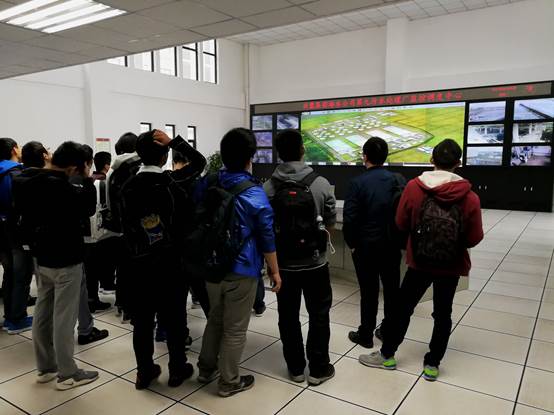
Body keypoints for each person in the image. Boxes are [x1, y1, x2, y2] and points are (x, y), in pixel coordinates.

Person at [359, 139, 484, 382]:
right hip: (451, 265)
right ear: (458, 163)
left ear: (431, 160)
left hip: (419, 262)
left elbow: (400, 222)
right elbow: (474, 237)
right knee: (443, 314)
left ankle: (387, 355)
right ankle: (432, 364)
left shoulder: (414, 188)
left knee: (403, 308)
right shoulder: (470, 197)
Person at [196, 128, 281, 398]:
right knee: (234, 329)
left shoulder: (208, 182)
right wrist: (275, 271)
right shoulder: (254, 193)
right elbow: (267, 237)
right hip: (241, 268)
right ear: (250, 158)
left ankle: (205, 369)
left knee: (215, 319)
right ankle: (229, 381)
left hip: (210, 265)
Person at [121, 130, 206, 390]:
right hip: (171, 263)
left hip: (138, 264)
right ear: (164, 156)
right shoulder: (172, 183)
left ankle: (144, 372)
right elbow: (200, 162)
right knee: (175, 319)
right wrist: (174, 142)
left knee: (143, 322)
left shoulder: (127, 187)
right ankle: (177, 369)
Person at [17, 141, 99, 390]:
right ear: (74, 168)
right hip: (66, 260)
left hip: (41, 257)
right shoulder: (65, 188)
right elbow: (87, 209)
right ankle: (68, 373)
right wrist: (87, 180)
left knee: (42, 312)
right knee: (64, 317)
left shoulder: (27, 181)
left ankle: (46, 368)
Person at [264, 129, 337, 386]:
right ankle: (318, 369)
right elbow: (330, 222)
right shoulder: (321, 183)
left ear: (279, 153)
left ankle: (295, 368)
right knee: (319, 314)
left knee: (288, 316)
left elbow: (265, 227)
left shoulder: (268, 187)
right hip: (316, 263)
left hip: (283, 265)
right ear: (302, 150)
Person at [343, 137, 405, 349]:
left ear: (365, 156)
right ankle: (388, 332)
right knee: (392, 291)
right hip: (391, 245)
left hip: (365, 247)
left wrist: (352, 244)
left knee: (368, 293)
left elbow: (350, 219)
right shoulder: (398, 180)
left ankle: (366, 334)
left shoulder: (357, 183)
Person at [105, 132, 141, 323]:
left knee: (123, 269)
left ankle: (122, 305)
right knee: (134, 270)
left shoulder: (112, 170)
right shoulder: (135, 168)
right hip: (134, 229)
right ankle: (132, 309)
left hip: (118, 228)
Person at [0, 137, 32, 334]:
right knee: (21, 274)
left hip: (0, 232)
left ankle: (8, 317)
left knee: (9, 272)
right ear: (14, 149)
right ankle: (17, 319)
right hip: (16, 232)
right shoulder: (16, 173)